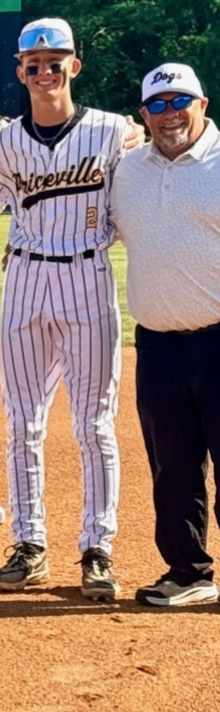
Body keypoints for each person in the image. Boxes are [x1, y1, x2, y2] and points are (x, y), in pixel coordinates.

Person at [0, 18, 128, 601]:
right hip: (27, 277)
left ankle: (98, 548)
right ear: (21, 72)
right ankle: (29, 544)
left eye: (55, 62)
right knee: (22, 421)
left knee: (94, 423)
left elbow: (138, 202)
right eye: (33, 64)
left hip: (87, 275)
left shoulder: (113, 132)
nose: (45, 71)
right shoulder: (5, 142)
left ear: (73, 66)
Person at [109, 62, 220, 608]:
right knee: (172, 468)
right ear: (143, 114)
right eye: (157, 104)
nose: (169, 113)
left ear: (203, 105)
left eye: (180, 101)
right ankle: (188, 571)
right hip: (157, 343)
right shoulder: (128, 169)